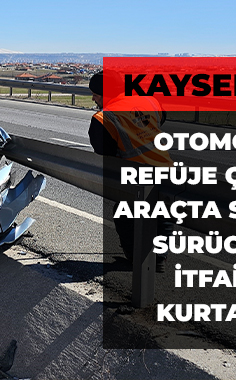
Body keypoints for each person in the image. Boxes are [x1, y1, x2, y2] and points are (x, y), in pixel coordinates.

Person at [87, 72, 173, 271]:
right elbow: (160, 120)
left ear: (106, 94)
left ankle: (136, 259)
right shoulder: (149, 100)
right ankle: (159, 259)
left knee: (124, 216)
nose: (93, 99)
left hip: (134, 174)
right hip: (165, 168)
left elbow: (104, 152)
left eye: (96, 95)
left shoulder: (103, 118)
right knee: (162, 215)